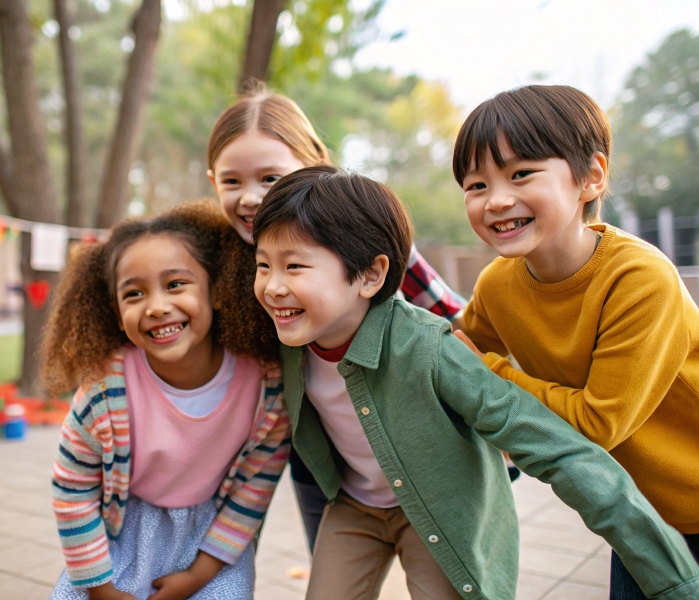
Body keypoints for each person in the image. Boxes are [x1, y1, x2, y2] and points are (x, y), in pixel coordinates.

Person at [252, 164, 699, 600]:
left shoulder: (429, 349)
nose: (272, 286)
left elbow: (557, 449)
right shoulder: (286, 340)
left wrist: (674, 580)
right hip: (354, 507)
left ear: (370, 274)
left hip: (439, 511)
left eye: (294, 267)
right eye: (263, 265)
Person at [451, 84, 699, 598]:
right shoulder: (498, 283)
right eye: (476, 185)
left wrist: (488, 374)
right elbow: (454, 351)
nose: (496, 200)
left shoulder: (638, 278)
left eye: (521, 174)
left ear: (591, 177)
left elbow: (596, 423)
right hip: (635, 511)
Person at [206, 86, 467, 554]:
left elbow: (454, 320)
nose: (250, 198)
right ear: (211, 181)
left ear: (314, 162)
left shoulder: (358, 239)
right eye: (231, 182)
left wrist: (483, 408)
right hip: (318, 456)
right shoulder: (216, 258)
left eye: (270, 178)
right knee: (333, 561)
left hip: (406, 442)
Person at [43, 201, 290, 600]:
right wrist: (101, 589)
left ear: (217, 291)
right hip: (119, 540)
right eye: (134, 293)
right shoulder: (104, 389)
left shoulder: (266, 386)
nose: (157, 306)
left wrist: (198, 576)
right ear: (116, 312)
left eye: (176, 284)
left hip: (211, 545)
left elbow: (254, 487)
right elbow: (72, 489)